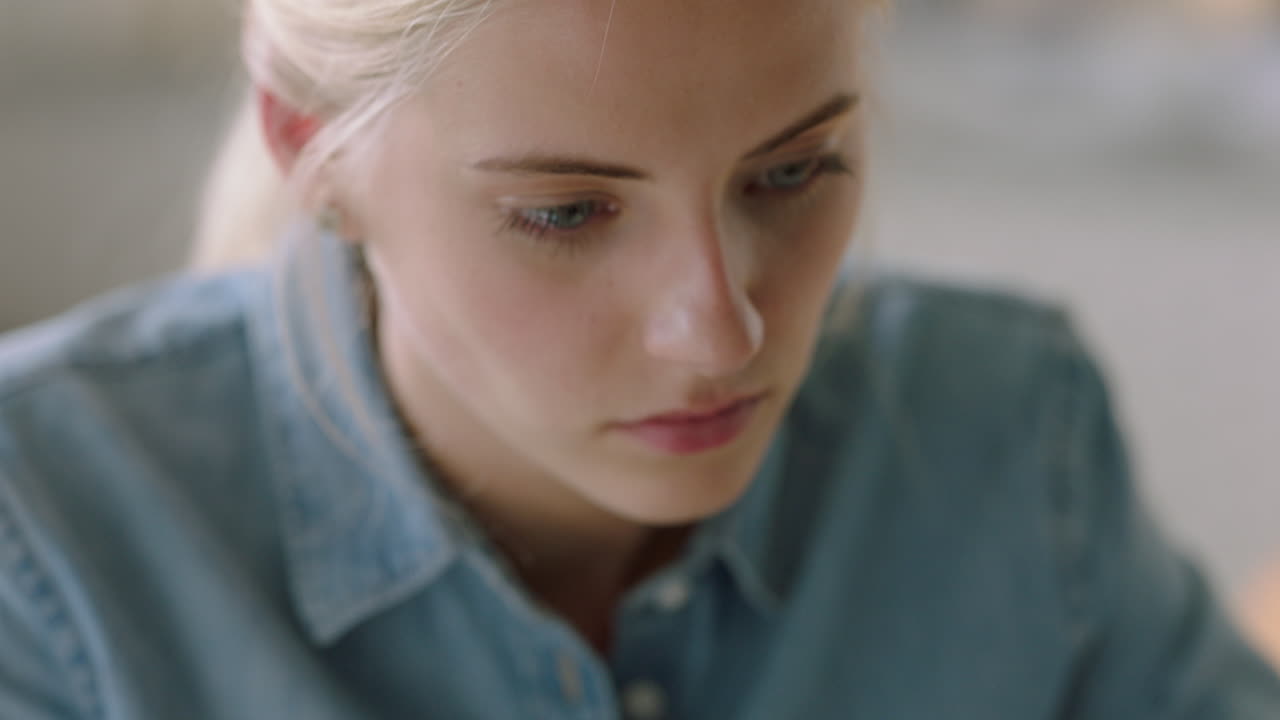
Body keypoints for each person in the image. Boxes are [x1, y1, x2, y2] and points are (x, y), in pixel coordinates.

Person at [1, 1, 1277, 717]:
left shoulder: (1007, 433)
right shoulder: (45, 543)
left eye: (792, 173)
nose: (722, 333)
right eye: (565, 212)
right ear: (308, 147)